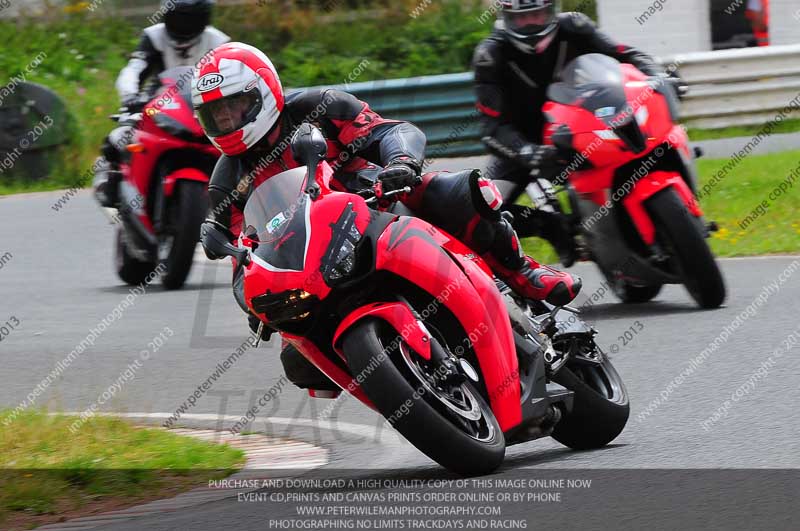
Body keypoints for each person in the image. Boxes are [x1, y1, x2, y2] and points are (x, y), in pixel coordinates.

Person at [192, 42, 582, 390]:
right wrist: (255, 299)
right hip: (316, 263)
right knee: (296, 357)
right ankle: (398, 383)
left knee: (458, 191)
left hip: (381, 206)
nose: (227, 122)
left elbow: (390, 131)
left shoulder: (318, 109)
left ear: (263, 91)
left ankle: (523, 274)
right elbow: (243, 251)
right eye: (216, 115)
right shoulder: (227, 179)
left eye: (234, 107)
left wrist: (400, 163)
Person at [473, 0, 665, 265]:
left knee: (647, 142)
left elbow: (624, 53)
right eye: (522, 18)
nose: (531, 23)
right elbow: (491, 127)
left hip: (582, 122)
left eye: (538, 14)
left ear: (552, 11)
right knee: (479, 208)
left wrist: (656, 76)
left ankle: (645, 216)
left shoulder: (575, 26)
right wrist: (528, 152)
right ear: (506, 18)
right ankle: (549, 226)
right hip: (523, 140)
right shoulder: (490, 55)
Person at [93, 0, 229, 208]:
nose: (185, 25)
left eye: (191, 19)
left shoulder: (218, 42)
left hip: (204, 107)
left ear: (204, 18)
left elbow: (231, 75)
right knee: (121, 136)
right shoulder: (154, 36)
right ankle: (111, 181)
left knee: (236, 144)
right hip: (156, 103)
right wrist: (130, 95)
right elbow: (134, 69)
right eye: (179, 18)